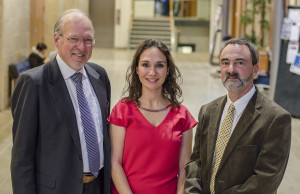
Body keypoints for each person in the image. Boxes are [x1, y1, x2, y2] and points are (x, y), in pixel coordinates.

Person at [11, 9, 111, 194]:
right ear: (57, 40)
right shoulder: (34, 83)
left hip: (97, 186)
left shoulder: (100, 76)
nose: (81, 47)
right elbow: (21, 160)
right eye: (73, 39)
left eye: (88, 40)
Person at [184, 38, 291, 194]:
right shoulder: (208, 111)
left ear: (255, 70)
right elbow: (196, 162)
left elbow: (265, 181)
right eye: (225, 62)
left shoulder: (275, 119)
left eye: (240, 63)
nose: (231, 69)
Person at [108, 39, 198, 194]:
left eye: (159, 65)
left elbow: (185, 168)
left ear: (168, 70)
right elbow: (114, 163)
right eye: (145, 64)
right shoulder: (122, 111)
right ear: (136, 69)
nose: (152, 72)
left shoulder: (182, 116)